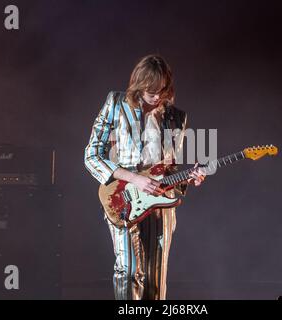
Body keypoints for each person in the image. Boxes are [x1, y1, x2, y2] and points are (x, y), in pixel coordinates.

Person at [84, 54, 205, 300]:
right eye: (152, 91)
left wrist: (189, 178)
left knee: (155, 278)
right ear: (139, 85)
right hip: (123, 199)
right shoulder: (116, 104)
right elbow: (91, 155)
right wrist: (134, 179)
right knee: (128, 271)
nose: (157, 97)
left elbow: (170, 170)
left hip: (161, 205)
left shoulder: (176, 117)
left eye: (162, 91)